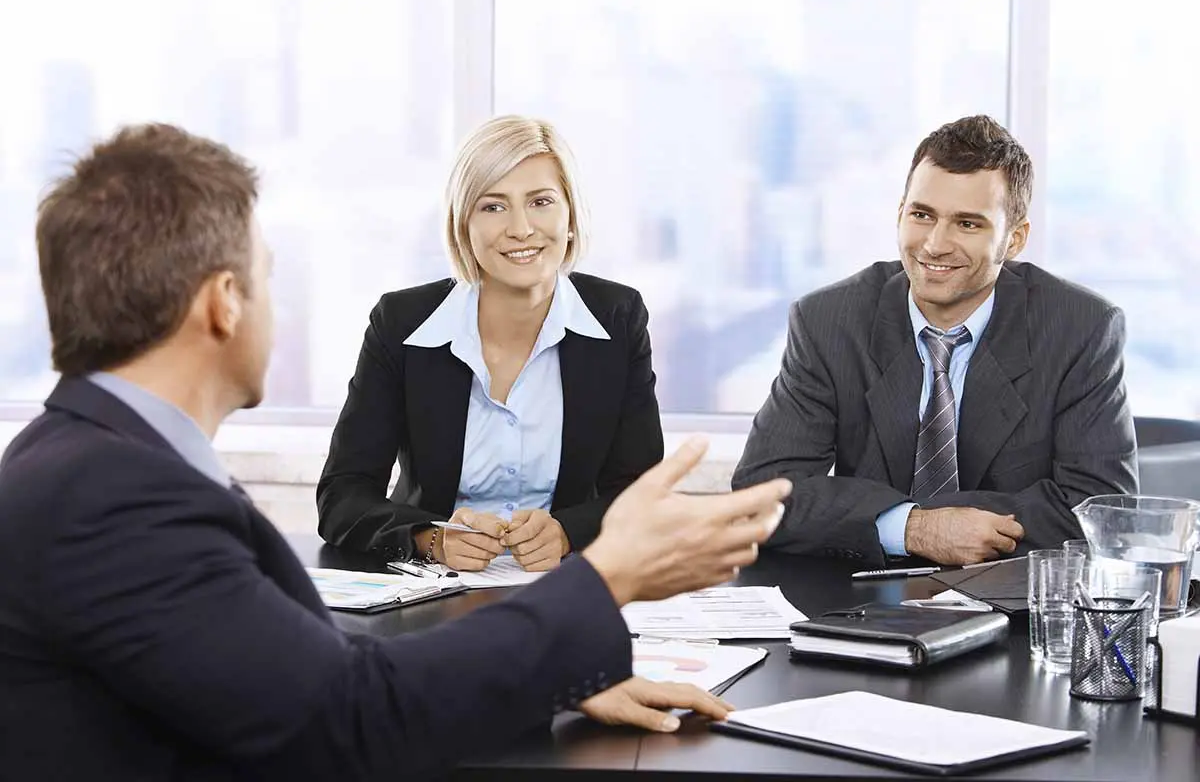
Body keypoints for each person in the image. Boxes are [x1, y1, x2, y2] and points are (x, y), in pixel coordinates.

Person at [0, 124, 791, 780]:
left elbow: (283, 659)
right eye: (269, 279)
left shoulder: (92, 464)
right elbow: (349, 718)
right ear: (224, 303)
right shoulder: (116, 499)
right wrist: (607, 575)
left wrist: (554, 676)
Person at [733, 114, 1136, 568]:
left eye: (967, 224)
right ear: (900, 212)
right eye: (922, 215)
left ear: (1014, 240)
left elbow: (1104, 513)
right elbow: (760, 494)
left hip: (1011, 603)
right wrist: (914, 528)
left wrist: (962, 525)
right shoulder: (829, 322)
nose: (935, 245)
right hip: (860, 603)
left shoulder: (1080, 329)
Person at [317, 115, 663, 572]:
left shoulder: (617, 318)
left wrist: (566, 532)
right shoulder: (401, 324)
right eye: (493, 206)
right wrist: (431, 538)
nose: (520, 228)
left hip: (565, 586)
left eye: (540, 201)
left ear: (571, 216)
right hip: (432, 591)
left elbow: (640, 494)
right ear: (463, 225)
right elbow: (343, 495)